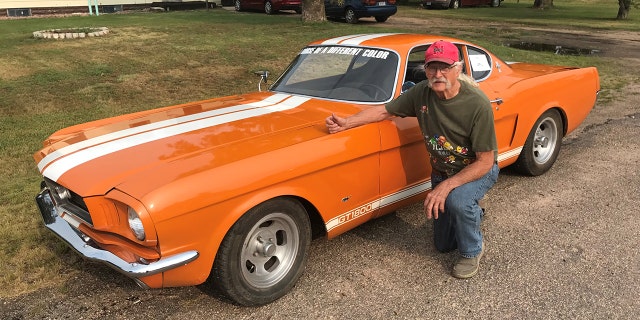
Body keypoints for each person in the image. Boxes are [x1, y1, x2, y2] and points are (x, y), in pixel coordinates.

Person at [325, 40, 499, 279]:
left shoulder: (477, 104)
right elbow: (386, 110)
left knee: (458, 201)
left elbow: (485, 162)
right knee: (443, 245)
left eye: (445, 67)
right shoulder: (422, 92)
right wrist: (348, 122)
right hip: (441, 172)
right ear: (425, 69)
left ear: (457, 69)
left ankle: (472, 250)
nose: (438, 74)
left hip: (474, 170)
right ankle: (473, 214)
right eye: (431, 67)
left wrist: (447, 187)